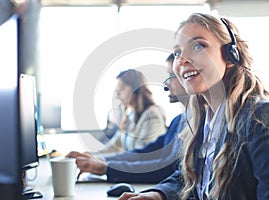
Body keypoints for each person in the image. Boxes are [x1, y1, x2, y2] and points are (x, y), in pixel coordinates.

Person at [119, 13, 269, 200]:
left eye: (198, 46)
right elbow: (191, 177)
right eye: (177, 53)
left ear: (230, 56)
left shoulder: (261, 115)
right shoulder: (204, 119)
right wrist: (157, 195)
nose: (182, 61)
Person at [67, 53, 190, 183]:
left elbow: (159, 164)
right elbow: (136, 151)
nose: (117, 94)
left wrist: (107, 167)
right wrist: (91, 157)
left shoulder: (153, 114)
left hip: (144, 180)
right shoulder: (177, 120)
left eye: (121, 89)